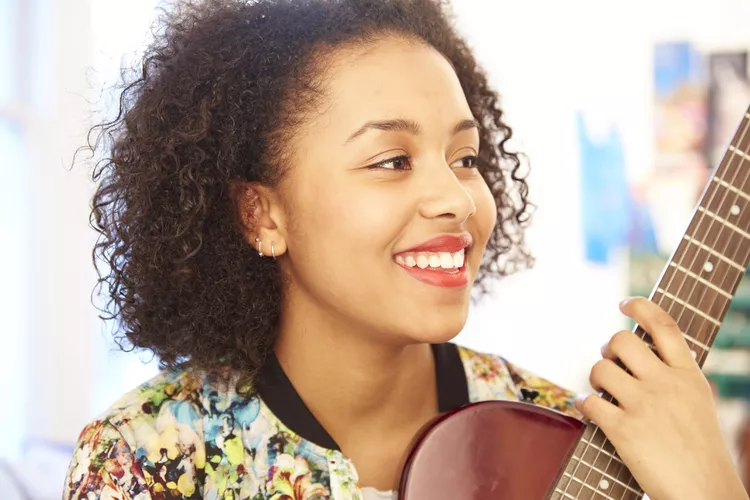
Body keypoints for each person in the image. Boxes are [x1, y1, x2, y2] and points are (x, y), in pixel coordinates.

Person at [62, 0, 748, 499]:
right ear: (260, 213)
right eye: (392, 161)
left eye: (465, 158)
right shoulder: (142, 459)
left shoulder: (570, 440)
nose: (455, 198)